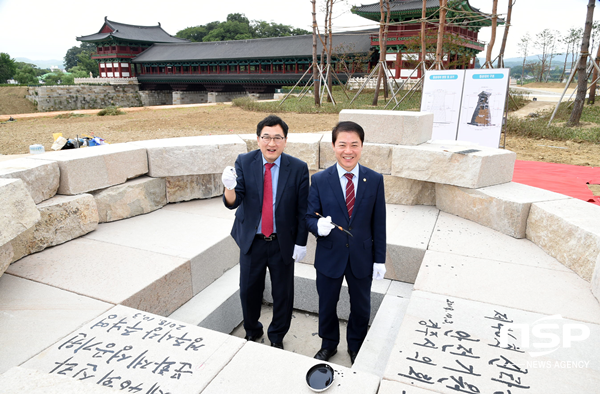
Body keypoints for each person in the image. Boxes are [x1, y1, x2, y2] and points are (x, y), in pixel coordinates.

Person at [222, 115, 309, 350]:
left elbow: (302, 211)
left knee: (283, 294)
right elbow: (233, 201)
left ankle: (277, 336)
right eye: (266, 137)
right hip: (253, 241)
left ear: (285, 140)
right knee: (249, 291)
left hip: (283, 241)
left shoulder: (298, 168)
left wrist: (301, 243)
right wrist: (229, 187)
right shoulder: (244, 161)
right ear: (258, 138)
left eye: (277, 138)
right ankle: (252, 331)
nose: (272, 143)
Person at [306, 121, 386, 364]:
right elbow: (310, 216)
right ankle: (328, 344)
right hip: (330, 255)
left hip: (362, 256)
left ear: (362, 146)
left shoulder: (374, 179)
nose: (348, 151)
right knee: (327, 303)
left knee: (361, 306)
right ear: (333, 146)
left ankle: (356, 344)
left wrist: (379, 259)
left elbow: (378, 222)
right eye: (342, 144)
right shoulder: (320, 179)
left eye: (354, 145)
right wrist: (317, 228)